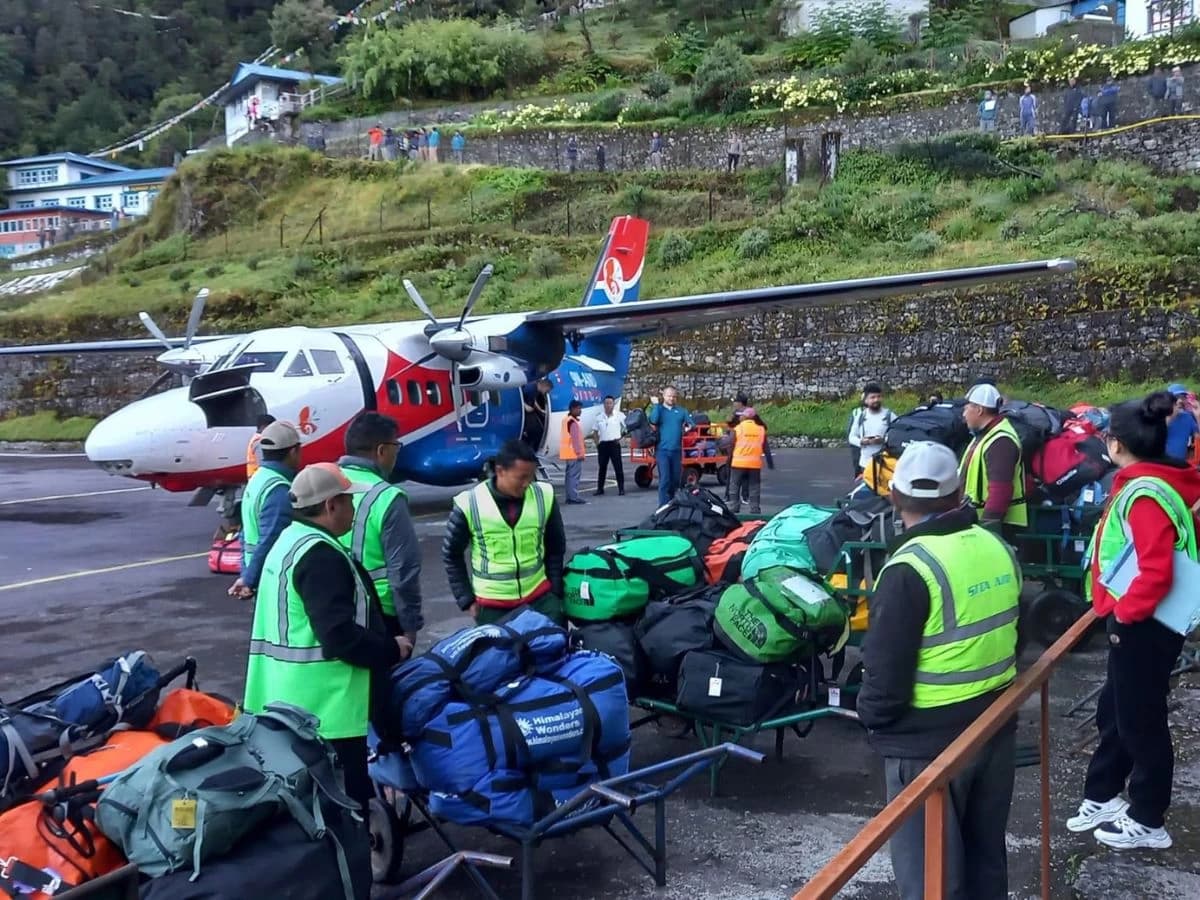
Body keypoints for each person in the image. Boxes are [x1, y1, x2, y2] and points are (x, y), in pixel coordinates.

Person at [857, 441, 1020, 900]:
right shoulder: (996, 546)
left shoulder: (909, 568)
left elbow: (883, 681)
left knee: (932, 881)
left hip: (926, 747)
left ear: (895, 497)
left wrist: (870, 717)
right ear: (958, 497)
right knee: (986, 860)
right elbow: (1015, 632)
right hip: (993, 726)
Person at [1067, 391, 1200, 850]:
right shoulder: (1154, 481)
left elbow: (1156, 570)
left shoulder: (1144, 493)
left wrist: (1125, 614)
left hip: (1143, 624)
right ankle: (1102, 795)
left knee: (1140, 723)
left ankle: (1147, 818)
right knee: (1116, 711)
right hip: (1138, 621)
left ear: (1115, 443)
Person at [243, 463, 410, 809]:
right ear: (331, 505)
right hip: (326, 711)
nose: (353, 509)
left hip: (285, 703)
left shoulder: (288, 541)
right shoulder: (320, 555)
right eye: (349, 502)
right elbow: (339, 637)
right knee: (346, 813)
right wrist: (390, 649)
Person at [442, 440, 567, 626]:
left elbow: (556, 546)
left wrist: (555, 592)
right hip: (492, 607)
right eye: (521, 477)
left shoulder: (544, 496)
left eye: (531, 477)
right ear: (500, 471)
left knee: (554, 650)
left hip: (539, 600)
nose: (527, 484)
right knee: (500, 655)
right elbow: (451, 554)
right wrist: (466, 600)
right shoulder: (470, 503)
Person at [337, 413, 423, 647]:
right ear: (382, 450)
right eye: (397, 446)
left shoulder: (326, 483)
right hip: (380, 614)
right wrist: (409, 626)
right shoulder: (387, 497)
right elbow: (403, 571)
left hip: (334, 608)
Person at [230, 421, 301, 600]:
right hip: (271, 577)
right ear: (293, 451)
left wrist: (246, 574)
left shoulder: (258, 479)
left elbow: (245, 533)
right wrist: (249, 580)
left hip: (257, 572)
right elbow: (270, 539)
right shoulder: (279, 489)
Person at [959, 383, 1027, 537]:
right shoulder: (984, 436)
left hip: (998, 529)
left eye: (967, 408)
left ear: (979, 410)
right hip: (977, 524)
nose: (963, 414)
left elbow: (1000, 491)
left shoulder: (1000, 441)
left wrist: (987, 530)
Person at [648, 387, 695, 506]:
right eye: (669, 396)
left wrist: (687, 428)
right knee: (665, 479)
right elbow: (653, 420)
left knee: (675, 480)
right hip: (662, 450)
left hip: (676, 450)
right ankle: (663, 506)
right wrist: (656, 405)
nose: (671, 398)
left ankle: (674, 504)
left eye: (674, 396)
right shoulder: (659, 409)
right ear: (664, 396)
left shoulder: (681, 411)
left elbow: (691, 423)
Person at [728, 407, 773, 515]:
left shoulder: (738, 429)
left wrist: (729, 461)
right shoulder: (760, 429)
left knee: (735, 485)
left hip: (738, 463)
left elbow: (731, 446)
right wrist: (770, 462)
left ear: (745, 417)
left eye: (741, 415)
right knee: (754, 486)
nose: (740, 417)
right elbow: (766, 448)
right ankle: (755, 508)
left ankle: (734, 506)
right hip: (754, 464)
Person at [848, 383, 894, 477]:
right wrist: (862, 442)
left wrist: (883, 440)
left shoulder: (889, 415)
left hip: (885, 463)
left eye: (878, 396)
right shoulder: (860, 416)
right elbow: (851, 437)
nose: (876, 400)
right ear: (866, 400)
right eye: (872, 397)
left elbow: (897, 436)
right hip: (865, 464)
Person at [592, 395, 626, 496]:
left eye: (610, 403)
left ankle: (621, 489)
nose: (608, 405)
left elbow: (627, 427)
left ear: (613, 404)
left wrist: (621, 437)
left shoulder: (619, 415)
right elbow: (595, 432)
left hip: (614, 443)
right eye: (606, 403)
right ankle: (600, 489)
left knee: (618, 467)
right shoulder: (599, 417)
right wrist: (598, 444)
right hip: (603, 444)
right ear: (604, 405)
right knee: (602, 467)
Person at [1163, 382, 1200, 463]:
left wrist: (1198, 416)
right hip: (1161, 465)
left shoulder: (1187, 417)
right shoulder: (1160, 417)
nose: (1180, 400)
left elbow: (1198, 435)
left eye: (1183, 397)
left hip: (1179, 465)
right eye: (1176, 397)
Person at [560, 399, 586, 504]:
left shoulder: (566, 420)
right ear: (573, 409)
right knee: (574, 476)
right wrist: (580, 453)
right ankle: (573, 497)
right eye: (579, 408)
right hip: (574, 453)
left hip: (568, 453)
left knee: (569, 476)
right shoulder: (572, 422)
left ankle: (570, 496)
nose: (580, 411)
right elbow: (575, 439)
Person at [522, 377, 553, 450]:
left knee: (539, 429)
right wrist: (525, 406)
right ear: (545, 386)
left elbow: (534, 400)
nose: (546, 393)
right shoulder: (530, 388)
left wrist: (541, 410)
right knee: (535, 432)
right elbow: (517, 396)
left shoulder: (536, 390)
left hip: (530, 410)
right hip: (523, 412)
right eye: (547, 390)